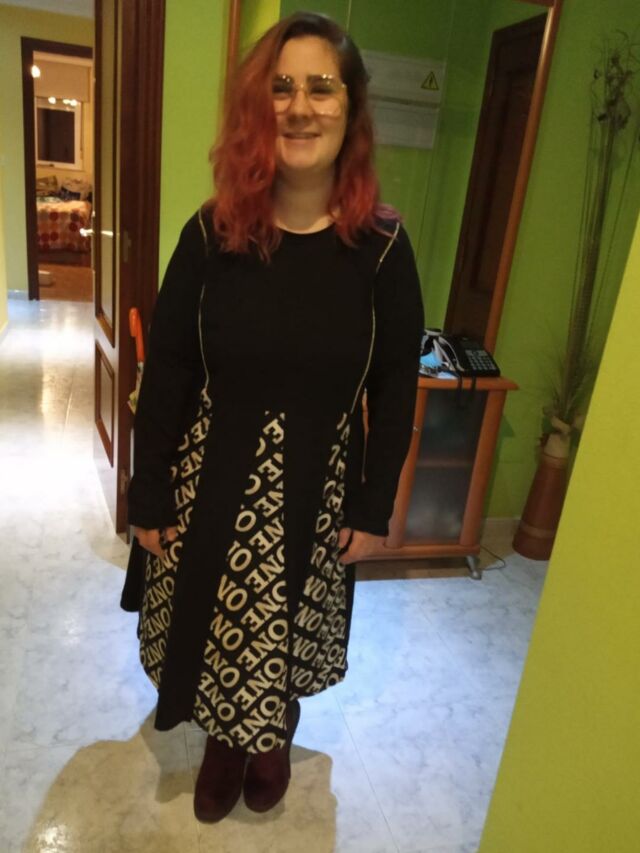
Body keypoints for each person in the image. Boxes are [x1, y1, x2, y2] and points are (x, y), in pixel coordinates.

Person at [120, 10, 424, 823]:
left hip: (319, 486)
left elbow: (395, 383)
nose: (299, 107)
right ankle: (225, 741)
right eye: (282, 88)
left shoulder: (384, 251)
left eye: (321, 88)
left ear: (351, 109)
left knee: (283, 627)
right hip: (211, 476)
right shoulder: (212, 233)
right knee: (218, 618)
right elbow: (170, 367)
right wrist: (148, 491)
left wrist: (374, 502)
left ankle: (271, 734)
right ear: (261, 109)